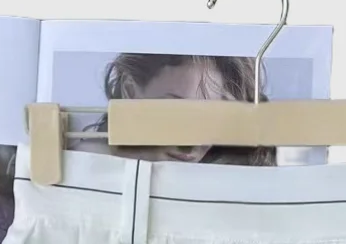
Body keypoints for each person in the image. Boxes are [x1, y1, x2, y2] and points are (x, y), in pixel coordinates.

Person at [71, 53, 277, 166]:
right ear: (130, 91)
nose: (192, 144)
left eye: (212, 116)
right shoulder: (81, 170)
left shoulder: (236, 179)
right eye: (176, 112)